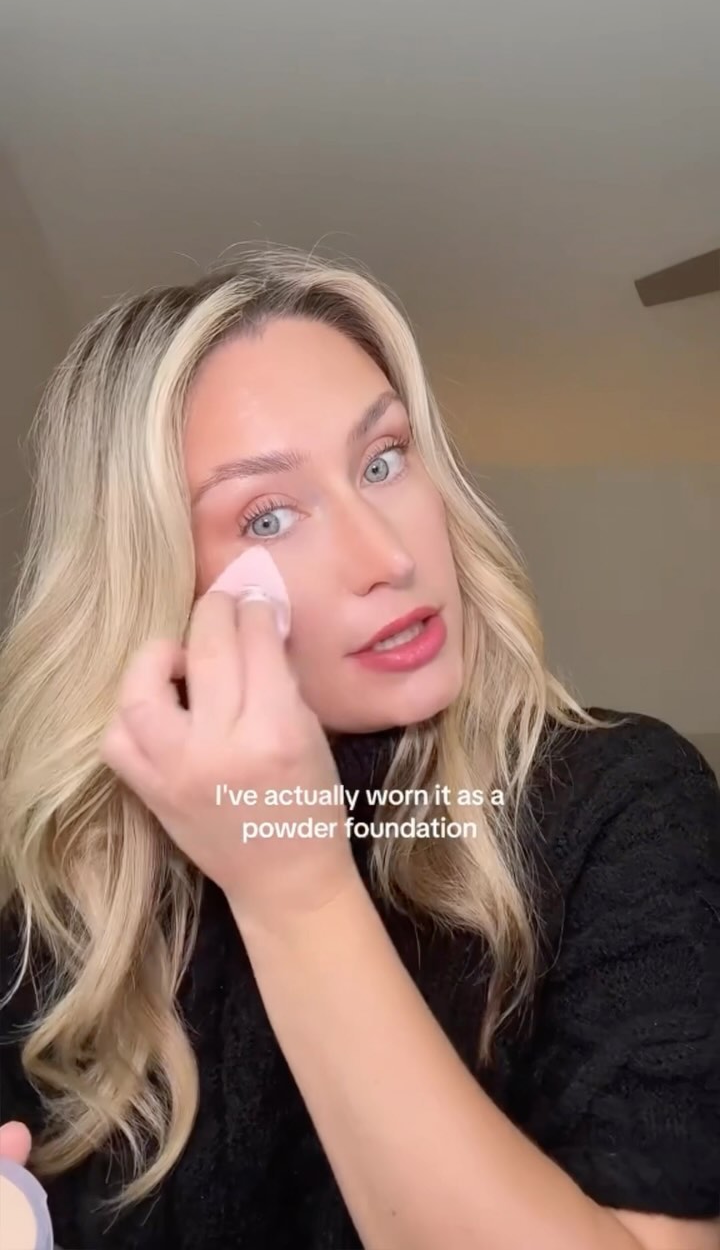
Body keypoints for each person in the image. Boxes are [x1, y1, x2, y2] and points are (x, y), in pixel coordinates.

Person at [0, 243, 718, 1250]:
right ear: (153, 586)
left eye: (383, 460)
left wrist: (294, 885)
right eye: (270, 515)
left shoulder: (619, 803)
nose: (388, 555)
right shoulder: (64, 915)